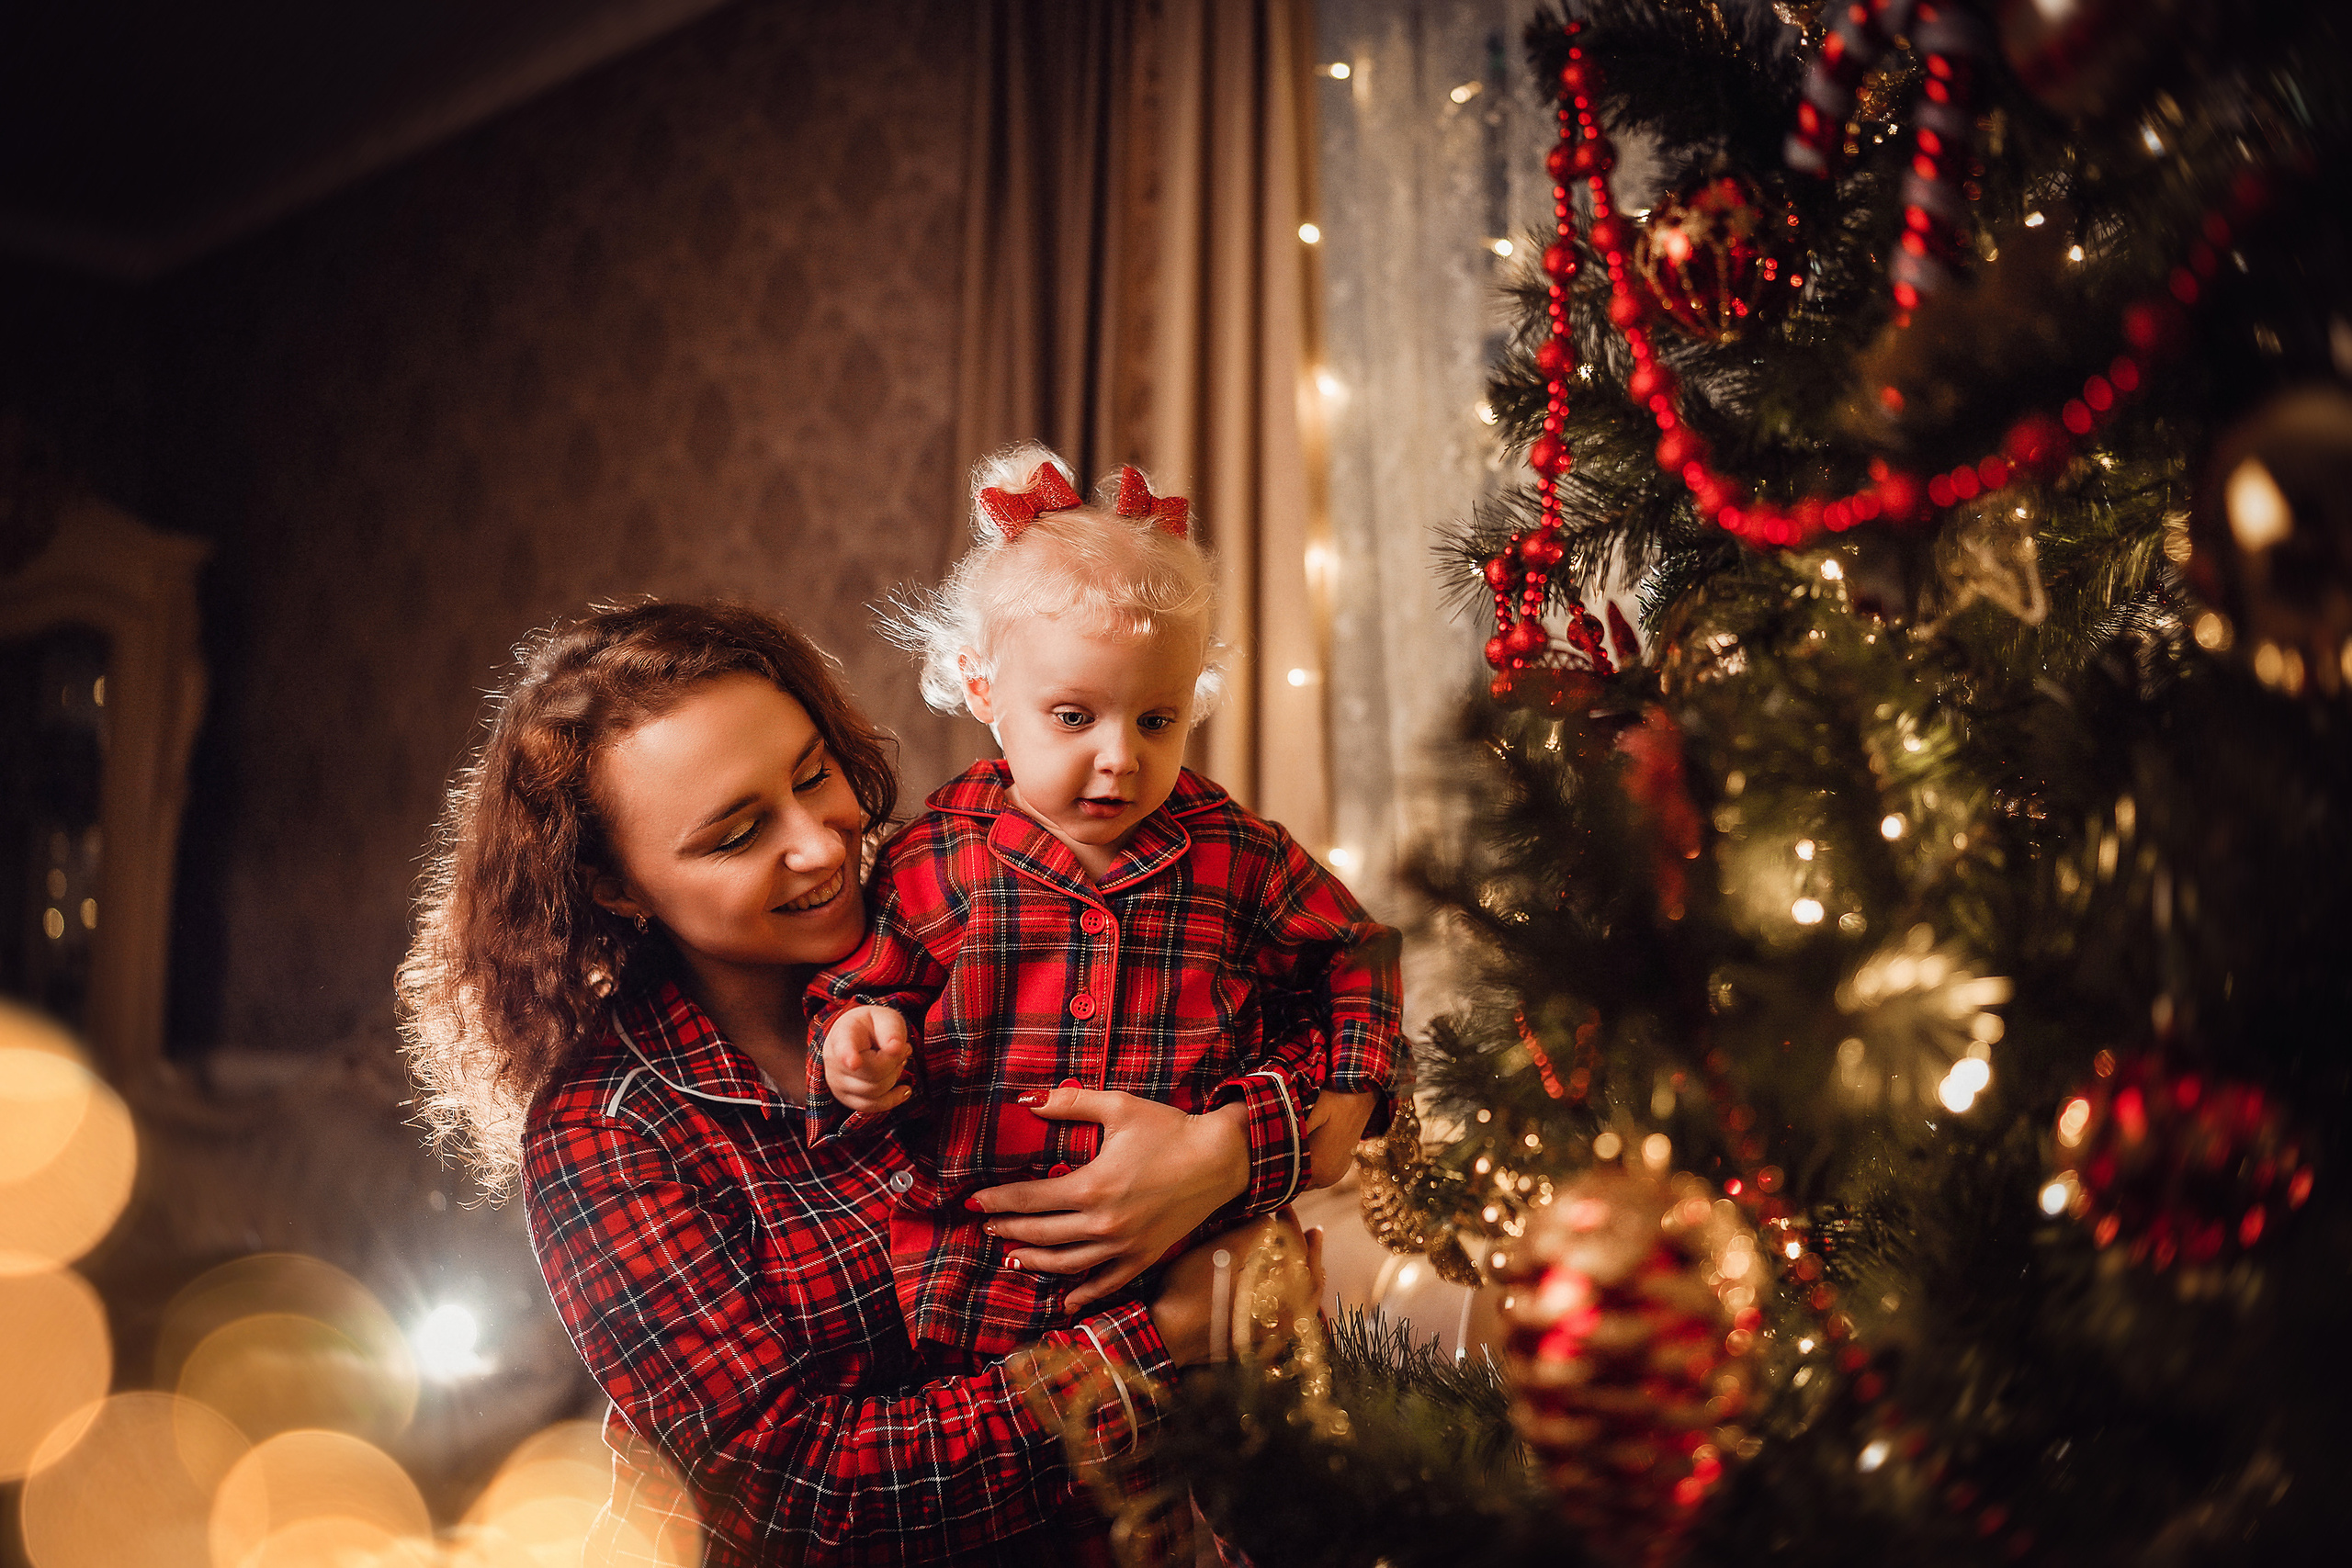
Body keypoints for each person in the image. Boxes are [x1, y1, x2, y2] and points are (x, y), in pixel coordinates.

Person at [396, 600, 1290, 1568]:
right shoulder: (606, 1135)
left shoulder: (984, 919)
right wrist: (1153, 1344)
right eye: (736, 834)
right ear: (615, 886)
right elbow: (800, 1493)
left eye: (812, 775)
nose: (822, 846)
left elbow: (1334, 1041)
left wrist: (1229, 1150)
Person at [812, 446, 1402, 1370]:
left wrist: (1346, 1087)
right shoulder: (938, 859)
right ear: (983, 689)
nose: (1121, 758)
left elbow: (1355, 954)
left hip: (1202, 1280)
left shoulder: (1236, 853)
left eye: (1156, 720)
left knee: (1217, 1498)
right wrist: (860, 1044)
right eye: (1074, 717)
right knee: (1029, 1493)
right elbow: (858, 993)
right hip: (982, 1295)